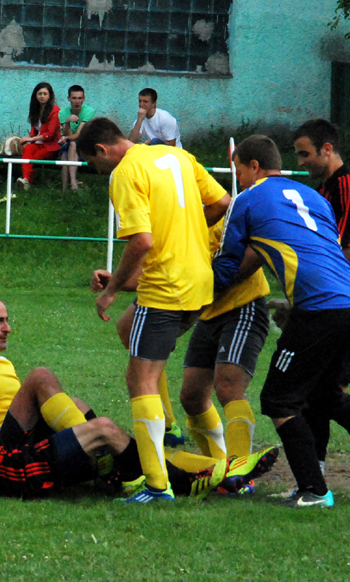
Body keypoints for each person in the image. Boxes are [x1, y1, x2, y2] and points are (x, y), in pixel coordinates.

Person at [212, 135, 350, 508]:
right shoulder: (314, 197)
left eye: (238, 170)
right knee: (324, 395)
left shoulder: (247, 200)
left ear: (254, 167)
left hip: (321, 309)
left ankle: (314, 490)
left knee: (279, 399)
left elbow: (227, 266)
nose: (238, 178)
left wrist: (191, 293)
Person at [0, 295, 274, 499]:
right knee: (42, 377)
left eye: (7, 319)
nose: (8, 328)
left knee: (76, 405)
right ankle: (125, 460)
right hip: (2, 453)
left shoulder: (3, 363)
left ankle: (223, 471)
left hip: (27, 441)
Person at [75, 118, 238, 503]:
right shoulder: (175, 154)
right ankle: (216, 462)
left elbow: (142, 241)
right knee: (129, 330)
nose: (99, 173)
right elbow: (221, 203)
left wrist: (111, 289)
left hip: (165, 288)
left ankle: (156, 484)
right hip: (199, 283)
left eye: (94, 165)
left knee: (139, 380)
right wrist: (186, 235)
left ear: (101, 150)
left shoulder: (124, 173)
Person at [293, 118, 350, 500]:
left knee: (331, 391)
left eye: (305, 154)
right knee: (317, 390)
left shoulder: (349, 186)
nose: (300, 162)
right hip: (336, 297)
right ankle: (314, 475)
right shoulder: (327, 188)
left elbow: (349, 252)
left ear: (327, 150)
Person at [178, 218, 271, 490]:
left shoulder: (225, 217)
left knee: (229, 387)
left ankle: (241, 475)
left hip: (243, 306)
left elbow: (253, 254)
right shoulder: (177, 223)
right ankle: (221, 468)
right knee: (192, 397)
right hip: (208, 313)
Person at [17, 81, 61, 190]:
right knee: (27, 150)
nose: (42, 97)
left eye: (45, 94)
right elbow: (34, 131)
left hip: (51, 147)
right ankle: (26, 180)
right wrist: (28, 139)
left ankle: (28, 180)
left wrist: (31, 138)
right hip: (38, 144)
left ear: (50, 95)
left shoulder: (56, 111)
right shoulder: (35, 110)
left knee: (31, 158)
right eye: (39, 94)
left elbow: (49, 135)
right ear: (35, 96)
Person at [58, 85, 96, 191]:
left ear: (84, 99)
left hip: (85, 145)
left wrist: (66, 138)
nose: (77, 101)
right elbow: (67, 133)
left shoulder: (89, 111)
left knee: (72, 146)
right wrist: (67, 122)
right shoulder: (63, 113)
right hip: (70, 144)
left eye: (80, 98)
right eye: (74, 98)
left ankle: (73, 184)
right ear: (69, 98)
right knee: (65, 155)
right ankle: (66, 190)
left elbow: (80, 134)